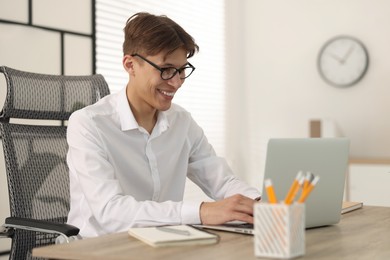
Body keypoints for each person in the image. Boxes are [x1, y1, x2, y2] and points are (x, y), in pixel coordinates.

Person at [66, 12, 261, 238]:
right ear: (130, 65)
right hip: (98, 249)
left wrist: (259, 203)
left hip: (162, 244)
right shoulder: (88, 124)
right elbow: (111, 212)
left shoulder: (182, 122)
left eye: (181, 70)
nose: (176, 82)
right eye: (166, 69)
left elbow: (222, 181)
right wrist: (202, 212)